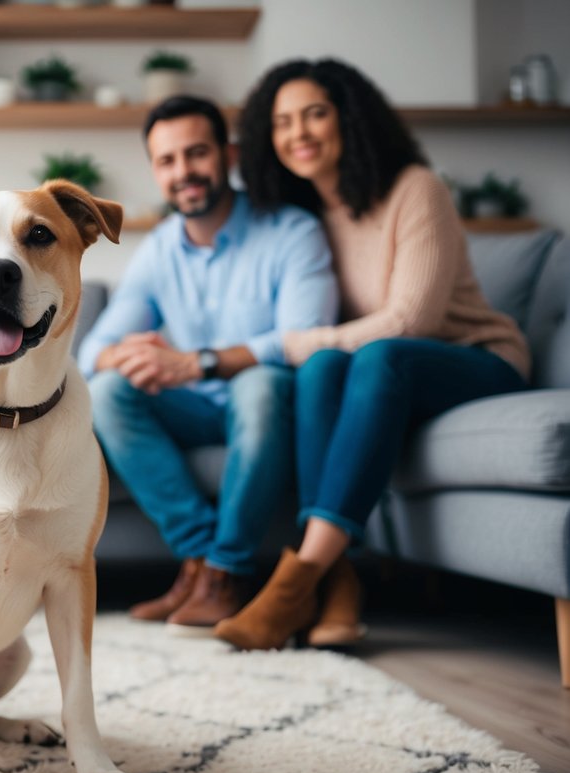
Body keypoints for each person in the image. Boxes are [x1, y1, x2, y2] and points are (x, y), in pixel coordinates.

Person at [215, 59, 530, 650]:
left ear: (349, 120)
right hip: (377, 374)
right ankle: (336, 583)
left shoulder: (416, 189)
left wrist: (283, 345)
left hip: (475, 360)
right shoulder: (304, 219)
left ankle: (293, 586)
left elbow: (414, 322)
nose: (299, 133)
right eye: (282, 122)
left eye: (315, 114)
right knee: (326, 364)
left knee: (379, 355)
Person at [80, 96, 339, 633]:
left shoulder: (292, 231)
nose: (184, 173)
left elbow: (305, 338)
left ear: (229, 154)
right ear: (155, 171)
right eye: (167, 161)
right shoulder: (159, 250)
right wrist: (128, 356)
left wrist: (193, 363)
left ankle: (230, 568)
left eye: (196, 154)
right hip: (196, 409)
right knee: (107, 390)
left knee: (260, 385)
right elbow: (91, 350)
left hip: (272, 407)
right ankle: (201, 564)